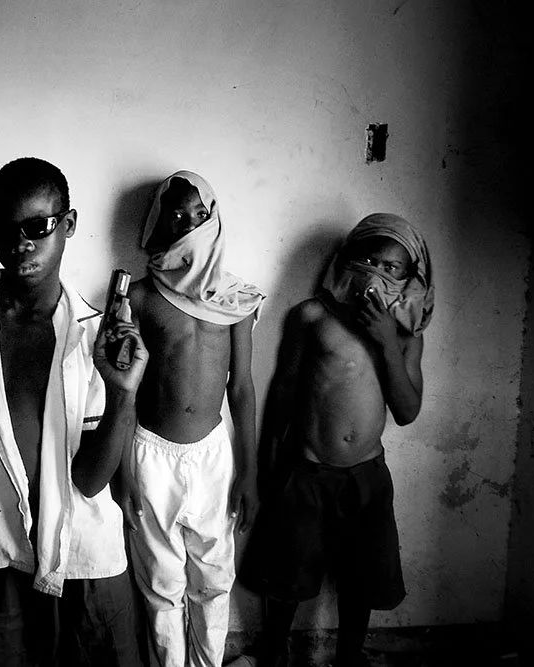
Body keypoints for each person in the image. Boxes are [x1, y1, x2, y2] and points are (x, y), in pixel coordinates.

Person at [0, 157, 147, 666]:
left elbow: (90, 481)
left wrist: (123, 393)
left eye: (38, 227)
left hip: (85, 555)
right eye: (6, 229)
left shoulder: (93, 334)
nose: (22, 244)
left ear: (69, 224)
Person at [238, 213, 434, 667]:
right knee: (286, 573)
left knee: (361, 579)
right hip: (306, 472)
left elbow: (407, 412)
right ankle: (274, 650)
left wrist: (386, 342)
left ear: (410, 277)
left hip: (366, 477)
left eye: (391, 268)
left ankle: (348, 657)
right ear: (347, 260)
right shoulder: (312, 317)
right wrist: (268, 467)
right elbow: (283, 394)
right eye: (369, 260)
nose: (376, 274)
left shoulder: (407, 336)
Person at [122, 171, 265, 667]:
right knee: (161, 584)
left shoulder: (236, 300)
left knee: (214, 578)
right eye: (177, 214)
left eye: (199, 214)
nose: (188, 223)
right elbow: (122, 390)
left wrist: (250, 472)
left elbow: (241, 388)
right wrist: (125, 470)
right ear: (159, 220)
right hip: (151, 453)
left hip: (213, 456)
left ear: (214, 219)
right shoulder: (139, 297)